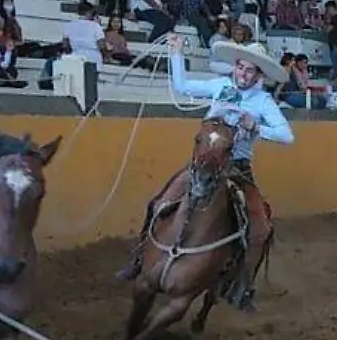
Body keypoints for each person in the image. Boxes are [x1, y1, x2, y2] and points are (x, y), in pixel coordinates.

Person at [116, 33, 293, 312]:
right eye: (240, 67)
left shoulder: (263, 102)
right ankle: (139, 259)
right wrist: (175, 53)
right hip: (205, 163)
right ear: (234, 67)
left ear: (258, 75)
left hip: (237, 169)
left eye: (249, 70)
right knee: (159, 203)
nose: (243, 74)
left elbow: (286, 135)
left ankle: (242, 286)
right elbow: (182, 85)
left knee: (260, 228)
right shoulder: (220, 85)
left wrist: (257, 127)